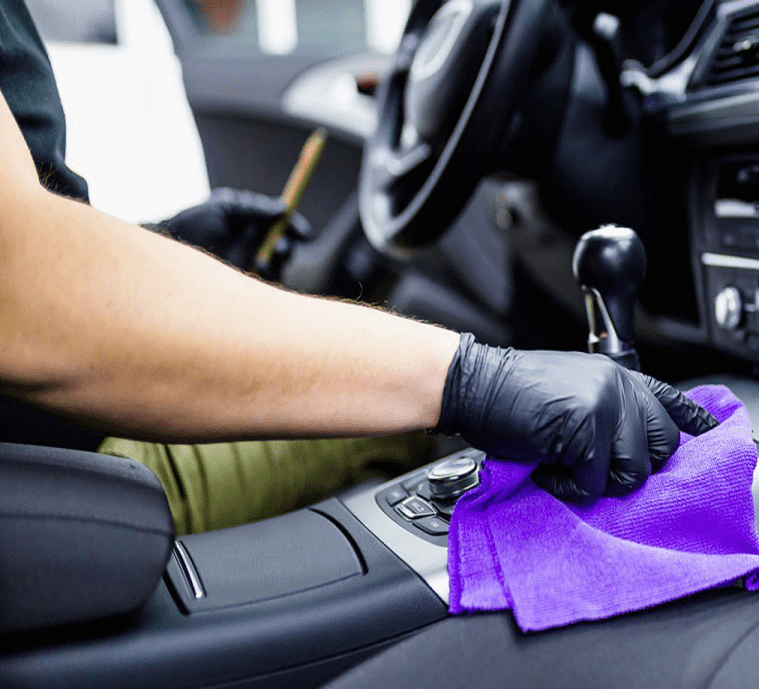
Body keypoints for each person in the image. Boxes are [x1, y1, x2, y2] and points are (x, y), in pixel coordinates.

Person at [0, 0, 713, 534]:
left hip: (46, 451)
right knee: (397, 423)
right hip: (65, 467)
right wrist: (468, 380)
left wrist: (166, 240)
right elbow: (19, 289)